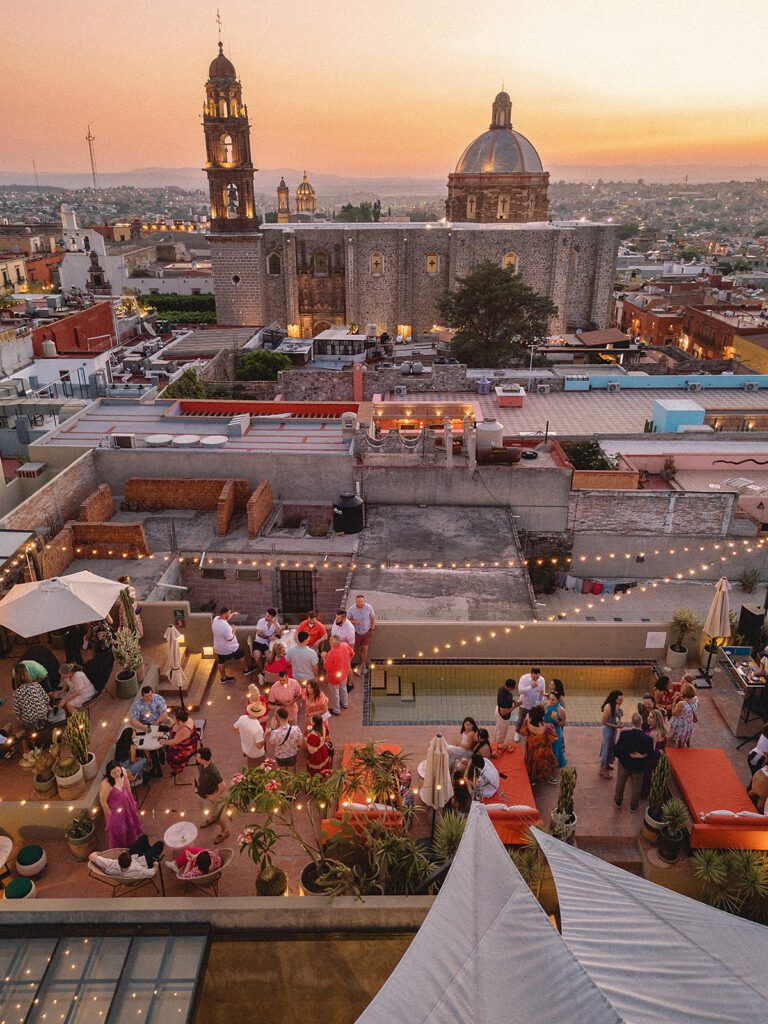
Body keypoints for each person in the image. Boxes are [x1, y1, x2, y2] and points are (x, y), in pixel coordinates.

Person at [613, 712, 654, 812]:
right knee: (637, 786)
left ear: (632, 722)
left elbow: (618, 748)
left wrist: (621, 757)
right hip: (638, 766)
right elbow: (650, 754)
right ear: (642, 722)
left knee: (620, 782)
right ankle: (633, 806)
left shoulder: (624, 734)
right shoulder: (648, 739)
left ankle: (618, 801)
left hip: (625, 763)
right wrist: (642, 757)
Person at [99, 761, 143, 849]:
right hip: (115, 810)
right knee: (120, 828)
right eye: (113, 773)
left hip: (127, 804)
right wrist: (109, 814)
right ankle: (122, 846)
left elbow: (127, 786)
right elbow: (103, 802)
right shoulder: (106, 784)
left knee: (130, 823)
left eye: (118, 770)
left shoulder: (123, 771)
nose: (117, 774)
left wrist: (131, 799)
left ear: (120, 768)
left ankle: (132, 841)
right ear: (109, 773)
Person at [129, 686, 170, 775]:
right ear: (142, 696)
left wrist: (156, 723)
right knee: (151, 746)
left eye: (150, 695)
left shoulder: (158, 698)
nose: (149, 698)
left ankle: (162, 754)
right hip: (147, 727)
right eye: (146, 696)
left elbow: (165, 713)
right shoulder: (139, 704)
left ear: (152, 693)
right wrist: (141, 726)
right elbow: (133, 720)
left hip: (159, 723)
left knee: (159, 742)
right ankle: (155, 764)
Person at [89, 835, 164, 879]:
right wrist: (155, 864)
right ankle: (150, 853)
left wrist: (95, 853)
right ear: (130, 861)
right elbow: (153, 872)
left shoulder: (110, 865)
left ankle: (149, 852)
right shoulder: (138, 871)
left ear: (118, 860)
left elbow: (91, 856)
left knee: (144, 837)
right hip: (144, 863)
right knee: (159, 844)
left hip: (135, 859)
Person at [195, 747, 230, 843]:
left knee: (218, 815)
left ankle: (225, 831)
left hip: (210, 797)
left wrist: (215, 797)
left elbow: (223, 786)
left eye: (197, 757)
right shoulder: (201, 765)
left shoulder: (213, 771)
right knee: (209, 811)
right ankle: (212, 819)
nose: (196, 758)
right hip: (202, 794)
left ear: (203, 759)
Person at [521, 705, 558, 785]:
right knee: (543, 764)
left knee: (532, 763)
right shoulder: (547, 727)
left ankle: (533, 780)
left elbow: (523, 733)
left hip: (531, 747)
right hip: (543, 750)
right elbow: (554, 738)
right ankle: (547, 777)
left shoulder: (527, 723)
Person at [212, 608, 251, 683]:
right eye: (228, 613)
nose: (229, 614)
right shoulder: (225, 627)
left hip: (218, 647)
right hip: (229, 648)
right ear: (225, 614)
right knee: (241, 654)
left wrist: (233, 614)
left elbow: (225, 619)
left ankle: (223, 678)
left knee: (221, 661)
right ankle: (246, 670)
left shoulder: (216, 619)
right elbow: (230, 638)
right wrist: (234, 630)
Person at [162, 708, 199, 775]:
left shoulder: (184, 730)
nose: (174, 720)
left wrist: (163, 741)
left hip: (187, 748)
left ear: (180, 721)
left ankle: (178, 768)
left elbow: (174, 742)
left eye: (175, 719)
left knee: (169, 757)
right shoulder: (188, 719)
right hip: (191, 740)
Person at [322, 636, 354, 715]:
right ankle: (345, 703)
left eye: (330, 642)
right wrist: (347, 663)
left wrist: (323, 658)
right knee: (343, 688)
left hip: (334, 677)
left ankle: (336, 710)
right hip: (344, 672)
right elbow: (352, 654)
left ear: (333, 644)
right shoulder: (345, 645)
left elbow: (326, 667)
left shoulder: (331, 653)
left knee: (334, 693)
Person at [82, 619, 114, 694]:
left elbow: (84, 647)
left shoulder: (92, 629)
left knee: (94, 669)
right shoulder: (102, 624)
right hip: (108, 651)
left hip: (102, 654)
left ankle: (96, 687)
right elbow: (111, 621)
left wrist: (86, 638)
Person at [514, 668, 545, 742]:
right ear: (531, 674)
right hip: (524, 703)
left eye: (537, 677)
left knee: (534, 720)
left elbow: (542, 693)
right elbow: (520, 691)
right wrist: (531, 687)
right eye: (534, 677)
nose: (536, 679)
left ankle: (532, 733)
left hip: (535, 704)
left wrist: (540, 702)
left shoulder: (542, 680)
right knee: (521, 719)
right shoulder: (524, 678)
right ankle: (517, 732)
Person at [347, 594, 376, 672]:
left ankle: (362, 665)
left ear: (364, 601)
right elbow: (348, 620)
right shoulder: (351, 609)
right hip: (356, 632)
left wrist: (372, 629)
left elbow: (373, 618)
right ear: (356, 601)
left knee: (365, 649)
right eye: (359, 601)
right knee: (359, 649)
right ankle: (362, 664)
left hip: (366, 632)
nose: (360, 603)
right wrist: (356, 622)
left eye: (362, 601)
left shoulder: (369, 607)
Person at [599, 690, 624, 778]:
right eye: (620, 700)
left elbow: (617, 717)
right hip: (608, 731)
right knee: (607, 748)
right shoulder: (608, 707)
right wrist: (616, 726)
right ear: (615, 699)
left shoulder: (616, 706)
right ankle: (603, 769)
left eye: (622, 700)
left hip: (613, 730)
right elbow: (604, 722)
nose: (621, 702)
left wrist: (619, 723)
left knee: (611, 747)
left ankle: (607, 764)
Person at [233, 699, 266, 766]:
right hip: (256, 755)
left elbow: (234, 729)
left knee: (251, 765)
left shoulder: (242, 718)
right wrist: (266, 734)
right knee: (258, 771)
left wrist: (244, 733)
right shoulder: (258, 729)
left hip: (246, 750)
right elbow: (259, 746)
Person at [668, 682, 699, 748]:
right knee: (682, 741)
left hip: (679, 723)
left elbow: (674, 713)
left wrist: (674, 701)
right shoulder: (696, 699)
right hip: (688, 723)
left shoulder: (681, 704)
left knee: (670, 739)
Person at [543, 690, 567, 769]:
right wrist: (543, 713)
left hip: (555, 732)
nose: (550, 701)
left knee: (554, 749)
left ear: (558, 700)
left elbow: (563, 724)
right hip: (545, 730)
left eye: (553, 700)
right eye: (549, 698)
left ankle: (553, 764)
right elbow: (539, 712)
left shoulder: (561, 710)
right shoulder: (546, 704)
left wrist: (556, 720)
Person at [495, 678, 519, 744]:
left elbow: (509, 698)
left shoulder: (503, 688)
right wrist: (515, 706)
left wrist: (513, 701)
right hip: (502, 716)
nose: (515, 687)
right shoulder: (503, 696)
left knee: (498, 729)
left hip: (498, 709)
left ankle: (496, 742)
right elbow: (504, 713)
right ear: (509, 687)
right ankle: (498, 746)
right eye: (514, 687)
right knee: (501, 734)